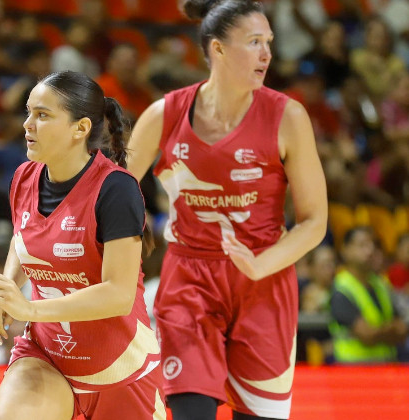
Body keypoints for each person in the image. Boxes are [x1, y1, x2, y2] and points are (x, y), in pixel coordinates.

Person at [126, 1, 328, 419]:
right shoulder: (165, 114)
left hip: (264, 280)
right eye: (254, 42)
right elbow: (107, 192)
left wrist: (259, 264)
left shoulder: (288, 116)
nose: (267, 54)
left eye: (269, 42)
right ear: (217, 49)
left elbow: (314, 221)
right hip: (190, 279)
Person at [0, 70, 165, 420]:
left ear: (80, 128)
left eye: (42, 115)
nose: (27, 125)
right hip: (47, 356)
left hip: (121, 367)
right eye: (28, 112)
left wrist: (29, 309)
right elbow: (23, 238)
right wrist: (8, 290)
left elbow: (118, 293)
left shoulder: (116, 188)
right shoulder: (24, 177)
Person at [329, 227, 408, 363]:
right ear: (345, 250)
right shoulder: (341, 288)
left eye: (373, 245)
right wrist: (390, 330)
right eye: (362, 245)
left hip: (386, 365)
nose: (370, 250)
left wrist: (377, 332)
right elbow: (367, 335)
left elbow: (403, 330)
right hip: (354, 368)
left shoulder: (381, 284)